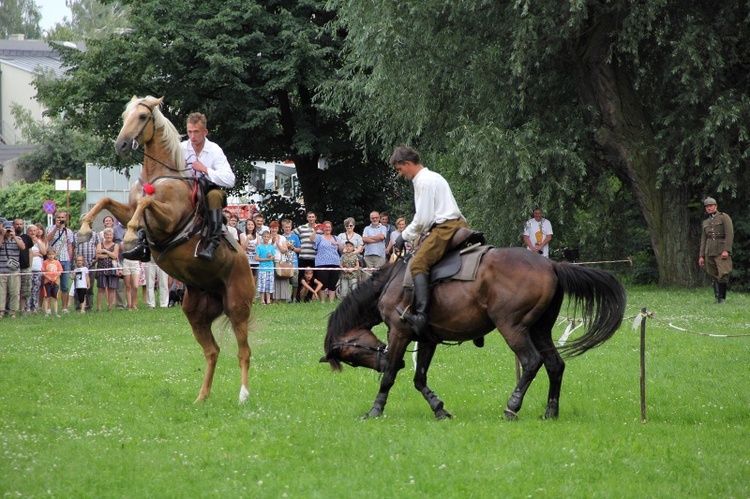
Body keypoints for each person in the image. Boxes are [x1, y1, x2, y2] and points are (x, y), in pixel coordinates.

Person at [123, 112, 235, 262]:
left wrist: (205, 169)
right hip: (184, 191)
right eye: (189, 132)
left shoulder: (215, 150)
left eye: (196, 132)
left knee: (214, 196)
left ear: (205, 132)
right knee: (153, 197)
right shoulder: (180, 148)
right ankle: (144, 244)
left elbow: (230, 179)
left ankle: (213, 243)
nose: (192, 136)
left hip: (208, 188)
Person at [391, 146, 468, 337]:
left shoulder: (422, 182)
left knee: (418, 264)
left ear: (407, 163)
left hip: (445, 228)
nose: (400, 174)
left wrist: (403, 236)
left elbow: (423, 219)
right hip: (459, 224)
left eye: (400, 169)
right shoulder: (435, 176)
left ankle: (422, 317)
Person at [698, 196, 733, 303]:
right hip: (709, 250)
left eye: (711, 206)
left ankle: (722, 298)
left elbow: (729, 234)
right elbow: (704, 239)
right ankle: (717, 297)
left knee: (723, 273)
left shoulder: (723, 217)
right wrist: (701, 255)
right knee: (713, 274)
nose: (709, 208)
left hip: (721, 250)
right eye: (707, 206)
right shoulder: (706, 222)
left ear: (715, 206)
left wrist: (726, 250)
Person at [46, 211, 74, 314]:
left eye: (62, 217)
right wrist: (56, 228)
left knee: (65, 286)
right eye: (58, 217)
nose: (61, 219)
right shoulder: (49, 228)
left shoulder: (69, 231)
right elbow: (48, 239)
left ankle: (65, 307)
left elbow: (70, 246)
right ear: (55, 218)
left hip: (64, 259)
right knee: (51, 284)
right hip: (53, 260)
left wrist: (70, 260)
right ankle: (50, 308)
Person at [310, 220, 341, 303]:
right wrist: (315, 230)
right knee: (322, 282)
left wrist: (339, 244)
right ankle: (322, 301)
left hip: (335, 263)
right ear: (323, 228)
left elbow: (342, 250)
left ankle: (331, 301)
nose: (328, 228)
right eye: (326, 227)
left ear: (331, 228)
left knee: (333, 282)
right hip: (321, 263)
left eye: (329, 227)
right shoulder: (319, 237)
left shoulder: (335, 237)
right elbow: (312, 240)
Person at [0, 220, 26, 318]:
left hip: (14, 270)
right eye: (6, 228)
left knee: (14, 292)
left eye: (9, 228)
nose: (8, 230)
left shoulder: (18, 238)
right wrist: (3, 235)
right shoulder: (1, 238)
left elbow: (22, 247)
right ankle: (1, 311)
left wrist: (14, 236)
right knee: (1, 292)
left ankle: (13, 311)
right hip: (2, 270)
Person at [73, 226, 100, 312]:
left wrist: (96, 258)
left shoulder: (95, 234)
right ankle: (78, 307)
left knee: (89, 287)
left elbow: (98, 245)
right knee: (77, 287)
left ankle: (89, 306)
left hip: (90, 264)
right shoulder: (76, 234)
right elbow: (73, 247)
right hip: (78, 266)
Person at [293, 211, 319, 301]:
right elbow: (292, 235)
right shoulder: (301, 228)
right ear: (307, 218)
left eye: (313, 217)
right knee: (301, 278)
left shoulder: (320, 228)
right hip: (303, 256)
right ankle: (298, 298)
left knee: (313, 279)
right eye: (309, 217)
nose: (311, 219)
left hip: (314, 257)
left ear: (315, 217)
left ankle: (310, 298)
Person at [96, 228, 120, 311]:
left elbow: (115, 256)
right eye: (107, 234)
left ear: (113, 236)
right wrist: (109, 254)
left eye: (110, 235)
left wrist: (105, 251)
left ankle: (110, 307)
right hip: (101, 268)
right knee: (101, 288)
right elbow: (98, 256)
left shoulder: (116, 245)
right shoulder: (100, 244)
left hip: (112, 269)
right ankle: (99, 308)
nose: (109, 236)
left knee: (111, 288)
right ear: (104, 235)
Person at [14, 218, 33, 314]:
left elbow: (30, 252)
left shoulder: (27, 237)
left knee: (25, 290)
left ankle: (22, 310)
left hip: (25, 267)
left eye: (21, 224)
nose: (19, 226)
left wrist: (30, 265)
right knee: (14, 290)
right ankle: (12, 309)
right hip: (13, 268)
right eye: (17, 224)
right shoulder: (10, 237)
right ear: (14, 225)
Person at [362, 211, 388, 278]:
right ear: (370, 219)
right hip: (368, 256)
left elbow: (382, 237)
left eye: (376, 217)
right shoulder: (366, 228)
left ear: (379, 218)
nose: (375, 219)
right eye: (373, 218)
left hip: (380, 256)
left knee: (379, 277)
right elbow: (364, 239)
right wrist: (377, 239)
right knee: (367, 278)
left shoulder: (383, 228)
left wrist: (369, 238)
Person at [26, 225, 46, 314]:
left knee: (36, 288)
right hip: (28, 267)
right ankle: (27, 308)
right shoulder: (25, 240)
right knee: (27, 288)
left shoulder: (39, 241)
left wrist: (37, 241)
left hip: (37, 267)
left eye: (35, 230)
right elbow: (26, 252)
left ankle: (34, 307)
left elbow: (44, 252)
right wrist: (36, 254)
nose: (33, 232)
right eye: (31, 230)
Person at [269, 221, 290, 303]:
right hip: (270, 261)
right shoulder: (266, 237)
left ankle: (282, 299)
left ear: (278, 229)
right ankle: (272, 299)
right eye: (272, 228)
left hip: (281, 261)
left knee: (282, 280)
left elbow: (285, 250)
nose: (274, 230)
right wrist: (272, 242)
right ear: (270, 228)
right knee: (272, 280)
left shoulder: (282, 238)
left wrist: (278, 243)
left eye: (276, 228)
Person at [281, 219, 301, 301]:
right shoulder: (281, 237)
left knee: (295, 282)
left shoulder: (295, 237)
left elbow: (300, 249)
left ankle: (294, 297)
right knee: (285, 281)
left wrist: (293, 248)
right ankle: (287, 297)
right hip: (284, 262)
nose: (287, 229)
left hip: (294, 262)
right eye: (286, 227)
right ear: (283, 228)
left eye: (289, 227)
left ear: (291, 227)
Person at [254, 229, 275, 305]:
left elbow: (273, 257)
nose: (266, 238)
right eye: (264, 236)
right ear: (262, 237)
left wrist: (271, 256)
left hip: (270, 268)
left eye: (267, 237)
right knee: (262, 284)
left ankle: (268, 300)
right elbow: (256, 258)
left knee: (269, 284)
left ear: (269, 238)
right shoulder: (259, 247)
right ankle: (262, 300)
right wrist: (266, 259)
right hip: (262, 268)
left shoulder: (271, 247)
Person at [42, 248, 63, 317]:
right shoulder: (45, 262)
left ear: (55, 255)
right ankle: (46, 311)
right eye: (49, 254)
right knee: (47, 296)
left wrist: (55, 278)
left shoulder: (57, 262)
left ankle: (56, 312)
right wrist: (49, 278)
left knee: (55, 297)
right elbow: (43, 272)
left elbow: (60, 271)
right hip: (47, 282)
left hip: (55, 282)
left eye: (52, 254)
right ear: (47, 255)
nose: (51, 256)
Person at [240, 218, 259, 283]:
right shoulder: (242, 235)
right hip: (246, 260)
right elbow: (243, 248)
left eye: (252, 224)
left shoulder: (257, 236)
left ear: (254, 226)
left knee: (254, 280)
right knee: (246, 280)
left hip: (255, 261)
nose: (250, 226)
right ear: (246, 226)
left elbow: (259, 248)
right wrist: (247, 238)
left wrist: (250, 248)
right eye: (249, 224)